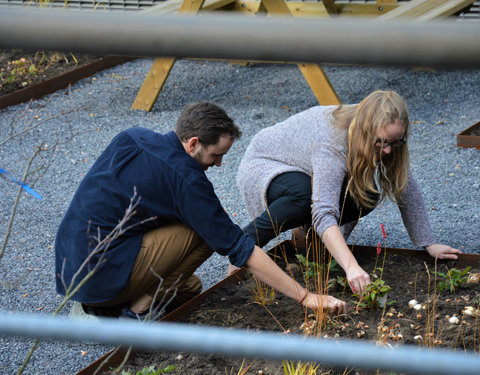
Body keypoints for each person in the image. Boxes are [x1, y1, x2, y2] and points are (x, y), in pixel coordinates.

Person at [55, 102, 346, 321]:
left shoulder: (133, 137)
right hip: (99, 275)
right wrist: (306, 296)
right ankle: (134, 312)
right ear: (193, 143)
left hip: (70, 263)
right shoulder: (186, 179)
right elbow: (238, 246)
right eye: (216, 155)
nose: (218, 164)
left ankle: (115, 300)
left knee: (190, 288)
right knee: (205, 231)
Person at [236, 90, 462, 296]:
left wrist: (428, 243)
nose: (387, 150)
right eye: (381, 143)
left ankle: (313, 240)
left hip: (305, 171)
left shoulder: (382, 132)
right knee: (304, 197)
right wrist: (351, 266)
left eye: (394, 143)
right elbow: (323, 211)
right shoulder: (333, 141)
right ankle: (243, 247)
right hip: (266, 167)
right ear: (365, 130)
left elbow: (404, 186)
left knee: (366, 194)